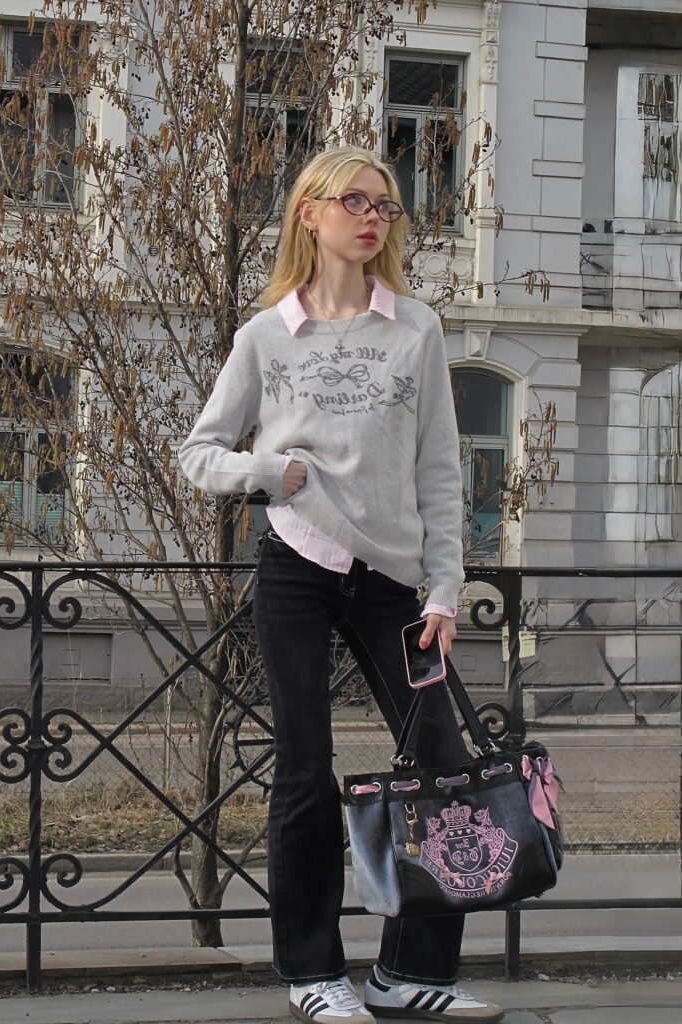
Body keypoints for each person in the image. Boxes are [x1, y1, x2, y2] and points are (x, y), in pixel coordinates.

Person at [179, 147, 504, 1024]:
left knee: (442, 765)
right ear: (309, 213)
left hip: (396, 582)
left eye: (386, 207)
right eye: (354, 201)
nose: (372, 217)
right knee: (303, 772)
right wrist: (266, 472)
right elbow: (197, 453)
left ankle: (410, 974)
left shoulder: (416, 328)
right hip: (297, 568)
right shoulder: (264, 335)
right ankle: (313, 975)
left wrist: (444, 589)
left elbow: (441, 468)